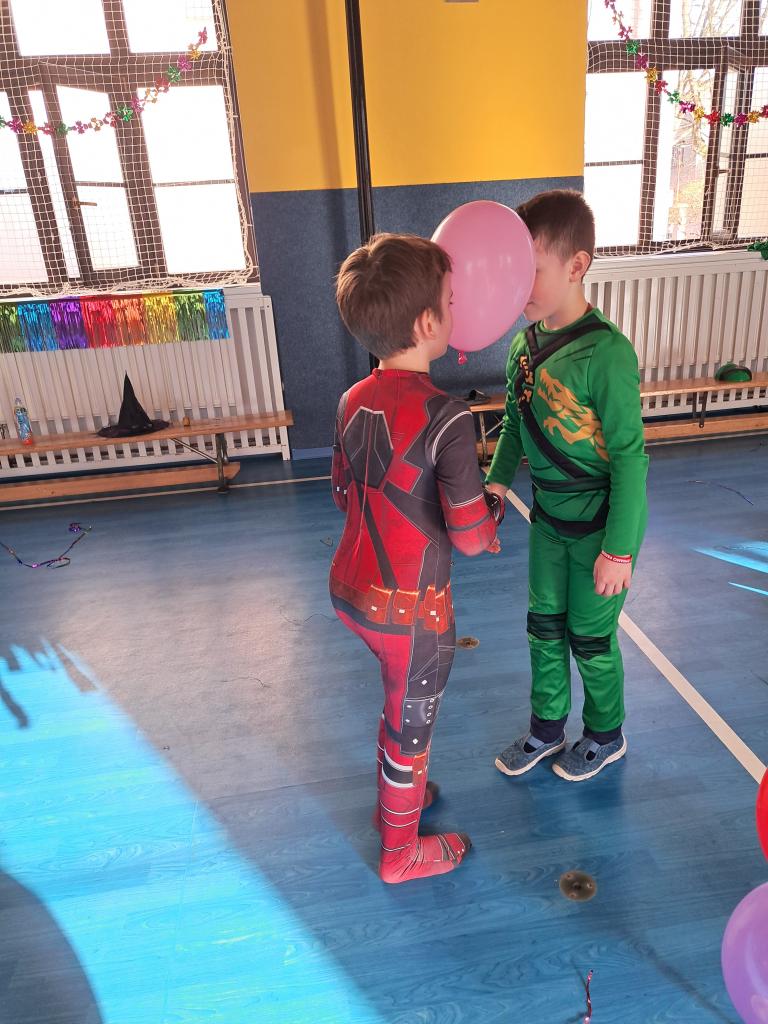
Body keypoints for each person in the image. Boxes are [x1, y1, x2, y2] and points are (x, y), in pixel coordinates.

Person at [331, 233, 503, 883]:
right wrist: (491, 515)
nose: (456, 311)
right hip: (412, 612)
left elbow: (343, 493)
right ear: (429, 324)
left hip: (350, 590)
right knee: (411, 727)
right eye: (451, 302)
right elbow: (470, 537)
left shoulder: (351, 399)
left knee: (400, 705)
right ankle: (400, 853)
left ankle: (397, 801)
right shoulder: (448, 417)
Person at [485, 190, 648, 783]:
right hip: (548, 525)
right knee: (543, 629)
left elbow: (630, 460)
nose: (517, 286)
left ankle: (606, 734)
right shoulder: (521, 348)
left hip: (602, 530)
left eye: (531, 271)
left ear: (576, 266)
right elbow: (514, 425)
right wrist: (496, 485)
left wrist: (619, 550)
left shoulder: (607, 353)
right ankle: (547, 729)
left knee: (591, 639)